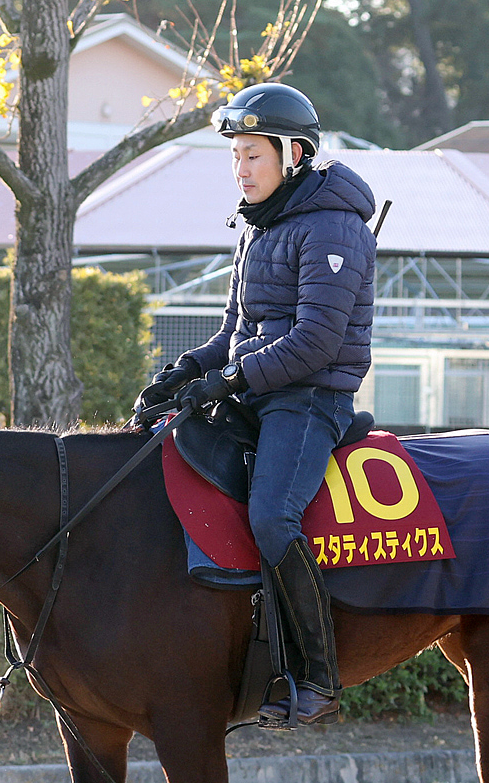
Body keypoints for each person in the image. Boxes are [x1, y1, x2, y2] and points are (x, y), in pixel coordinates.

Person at [139, 83, 377, 726]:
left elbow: (316, 340)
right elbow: (233, 333)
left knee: (273, 519)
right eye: (236, 156)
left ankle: (317, 678)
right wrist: (184, 372)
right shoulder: (256, 227)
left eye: (253, 156)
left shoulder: (335, 228)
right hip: (254, 389)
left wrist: (230, 381)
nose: (241, 170)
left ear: (293, 155)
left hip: (309, 400)